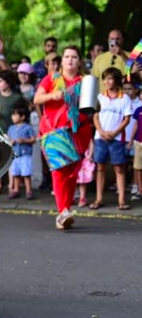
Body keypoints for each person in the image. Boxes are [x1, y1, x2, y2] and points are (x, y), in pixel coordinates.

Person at [33, 46, 91, 230]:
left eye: (74, 57)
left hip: (78, 131)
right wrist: (54, 95)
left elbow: (92, 107)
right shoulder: (51, 78)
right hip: (55, 131)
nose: (70, 60)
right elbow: (37, 99)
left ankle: (65, 209)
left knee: (72, 173)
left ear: (79, 61)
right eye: (67, 56)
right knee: (59, 170)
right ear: (62, 60)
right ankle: (62, 211)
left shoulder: (85, 82)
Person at [92, 68, 132, 210]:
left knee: (119, 168)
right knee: (100, 167)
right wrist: (101, 131)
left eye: (110, 78)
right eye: (105, 79)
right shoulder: (100, 97)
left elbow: (126, 119)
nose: (107, 82)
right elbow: (95, 116)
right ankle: (99, 198)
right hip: (100, 137)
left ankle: (121, 200)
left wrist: (115, 132)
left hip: (117, 138)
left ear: (116, 80)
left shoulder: (124, 98)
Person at [0, 70, 28, 196]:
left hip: (13, 133)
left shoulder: (17, 98)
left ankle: (12, 186)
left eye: (1, 81)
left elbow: (24, 112)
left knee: (12, 160)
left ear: (8, 82)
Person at [6, 106, 37, 199]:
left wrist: (24, 140)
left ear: (22, 117)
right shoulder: (11, 128)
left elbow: (33, 139)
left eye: (15, 115)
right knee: (15, 173)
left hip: (25, 154)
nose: (13, 117)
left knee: (26, 173)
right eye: (12, 115)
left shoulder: (28, 128)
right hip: (14, 154)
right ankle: (16, 190)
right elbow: (8, 138)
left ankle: (29, 190)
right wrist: (10, 142)